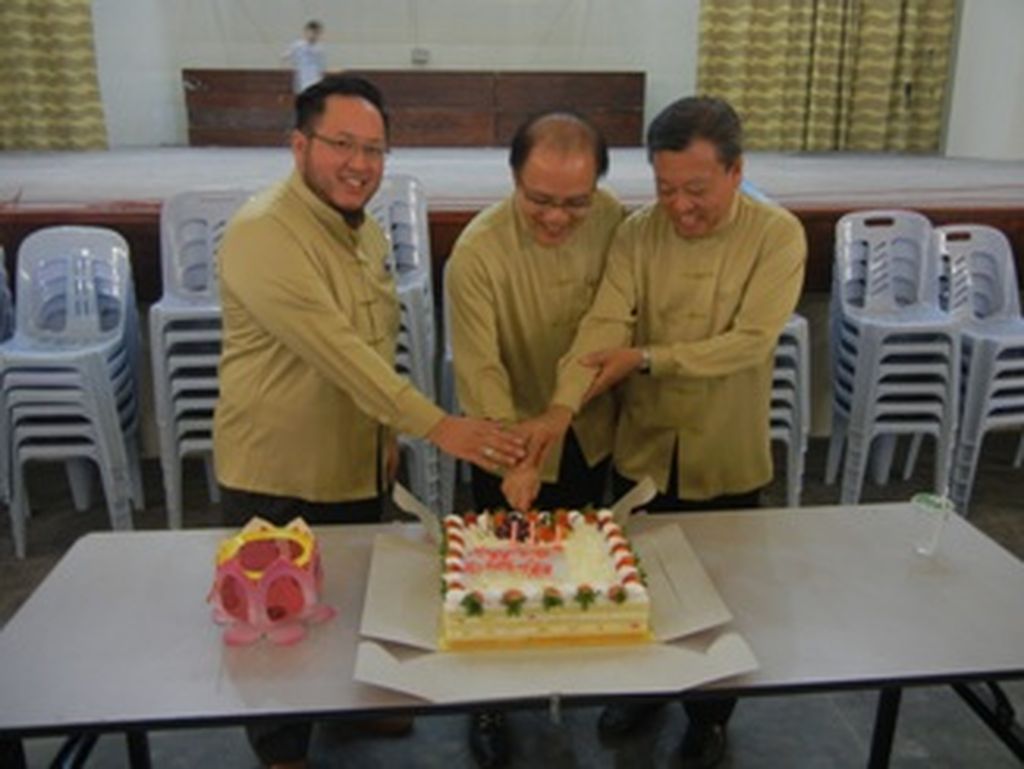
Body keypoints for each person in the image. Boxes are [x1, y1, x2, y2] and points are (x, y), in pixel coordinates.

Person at [214, 74, 525, 769]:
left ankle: (346, 709)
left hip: (355, 458)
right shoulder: (265, 232)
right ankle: (282, 750)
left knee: (350, 598)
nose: (360, 164)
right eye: (342, 145)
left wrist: (386, 438)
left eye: (375, 150)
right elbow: (342, 354)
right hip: (279, 468)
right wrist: (440, 427)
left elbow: (379, 344)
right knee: (277, 615)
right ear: (300, 145)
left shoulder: (362, 231)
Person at [509, 96, 807, 768]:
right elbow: (604, 324)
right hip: (643, 451)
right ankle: (645, 692)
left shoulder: (777, 236)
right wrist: (560, 410)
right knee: (638, 583)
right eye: (665, 188)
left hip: (725, 454)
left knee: (719, 596)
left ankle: (708, 717)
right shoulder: (638, 234)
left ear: (736, 171)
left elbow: (751, 342)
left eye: (696, 190)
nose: (679, 206)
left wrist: (648, 358)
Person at [446, 111, 626, 768]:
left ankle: (563, 677)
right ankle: (490, 703)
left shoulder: (616, 224)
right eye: (539, 200)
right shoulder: (477, 252)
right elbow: (480, 370)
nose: (556, 218)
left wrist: (563, 414)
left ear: (598, 187)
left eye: (576, 203)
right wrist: (512, 455)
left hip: (587, 426)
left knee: (576, 565)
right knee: (499, 578)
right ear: (513, 178)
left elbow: (610, 322)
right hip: (507, 437)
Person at [282, 20, 326, 93]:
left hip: (315, 78)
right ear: (306, 32)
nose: (313, 35)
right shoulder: (298, 45)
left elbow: (321, 65)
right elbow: (287, 54)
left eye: (316, 33)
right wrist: (285, 57)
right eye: (311, 32)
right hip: (301, 77)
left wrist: (321, 77)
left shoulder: (319, 48)